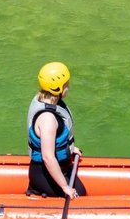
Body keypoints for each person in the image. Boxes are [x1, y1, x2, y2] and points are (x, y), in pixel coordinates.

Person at [26, 62, 86, 199]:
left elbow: (56, 138)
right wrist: (65, 187)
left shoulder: (43, 99)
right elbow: (48, 157)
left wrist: (69, 148)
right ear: (58, 88)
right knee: (79, 197)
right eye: (66, 85)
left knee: (82, 192)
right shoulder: (48, 119)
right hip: (43, 171)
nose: (68, 87)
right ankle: (35, 189)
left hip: (60, 165)